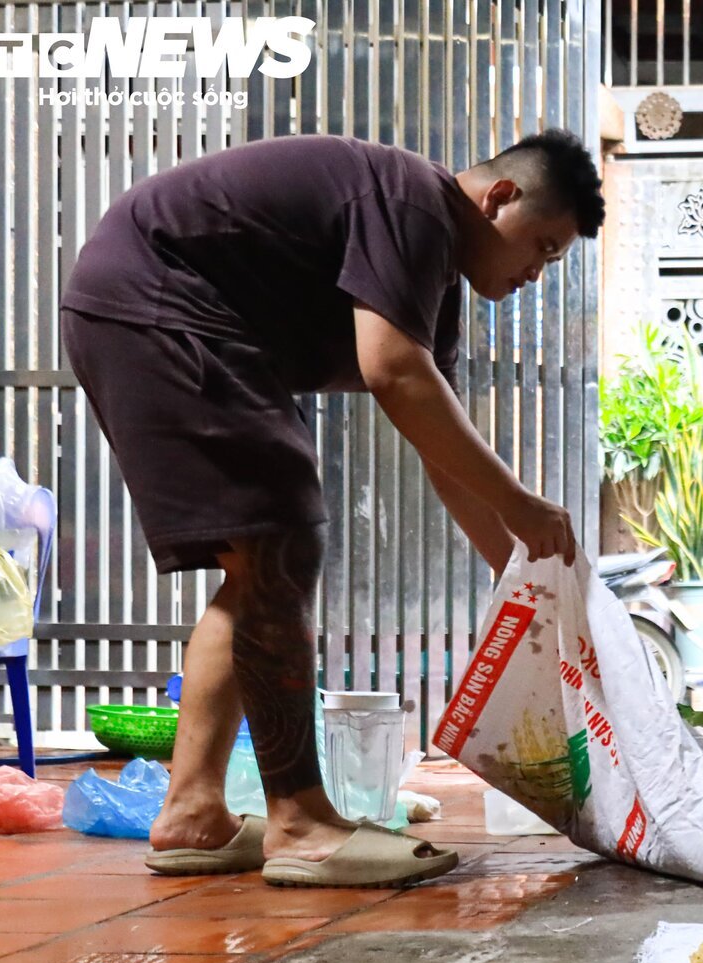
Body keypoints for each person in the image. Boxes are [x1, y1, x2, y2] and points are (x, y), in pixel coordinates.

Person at [60, 131, 603, 888]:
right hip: (159, 298)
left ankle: (194, 814)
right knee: (281, 540)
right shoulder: (415, 204)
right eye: (542, 247)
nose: (537, 274)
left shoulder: (434, 272)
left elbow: (437, 443)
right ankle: (301, 823)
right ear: (500, 197)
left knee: (260, 563)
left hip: (160, 308)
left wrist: (523, 575)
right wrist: (521, 501)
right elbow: (391, 372)